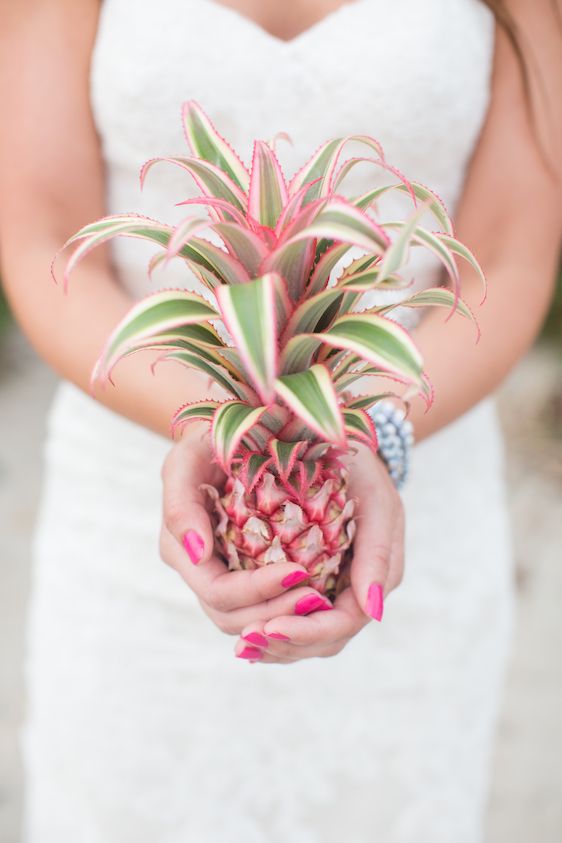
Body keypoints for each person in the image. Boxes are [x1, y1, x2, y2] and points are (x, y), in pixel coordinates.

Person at [1, 1, 560, 840]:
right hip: (132, 499)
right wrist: (206, 421)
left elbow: (509, 259)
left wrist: (369, 434)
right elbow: (44, 237)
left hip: (411, 476)